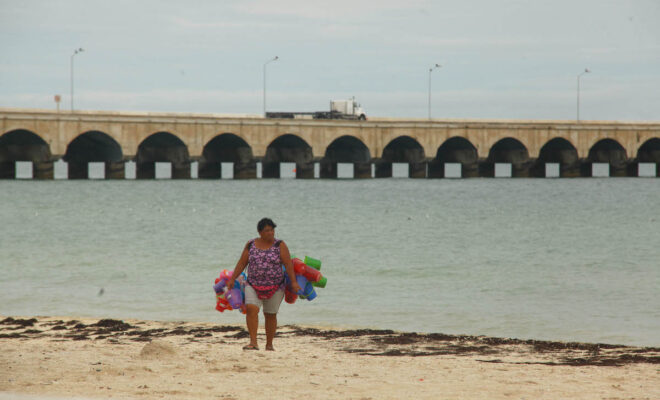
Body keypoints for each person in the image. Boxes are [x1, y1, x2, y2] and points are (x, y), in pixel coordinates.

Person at [228, 218, 300, 351]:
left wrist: (294, 282)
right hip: (253, 284)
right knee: (251, 309)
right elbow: (242, 262)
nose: (271, 233)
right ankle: (253, 342)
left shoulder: (280, 245)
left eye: (272, 230)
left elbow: (288, 264)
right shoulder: (251, 244)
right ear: (260, 232)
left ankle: (269, 344)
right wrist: (233, 278)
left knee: (270, 314)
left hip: (276, 286)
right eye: (267, 230)